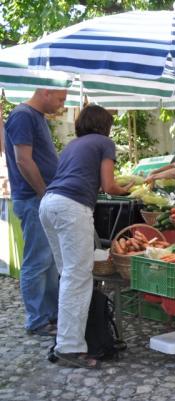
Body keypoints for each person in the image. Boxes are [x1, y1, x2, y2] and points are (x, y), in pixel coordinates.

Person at [39, 105, 133, 369]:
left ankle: (66, 339)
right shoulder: (104, 143)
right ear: (105, 125)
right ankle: (69, 347)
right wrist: (127, 189)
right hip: (72, 207)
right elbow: (109, 186)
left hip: (48, 204)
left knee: (67, 275)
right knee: (78, 277)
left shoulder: (73, 144)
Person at [4, 88, 67, 337]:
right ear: (45, 92)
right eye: (60, 99)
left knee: (49, 261)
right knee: (37, 261)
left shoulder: (35, 116)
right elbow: (23, 160)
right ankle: (37, 320)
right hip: (33, 199)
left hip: (39, 199)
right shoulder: (23, 115)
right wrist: (44, 193)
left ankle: (50, 315)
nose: (62, 105)